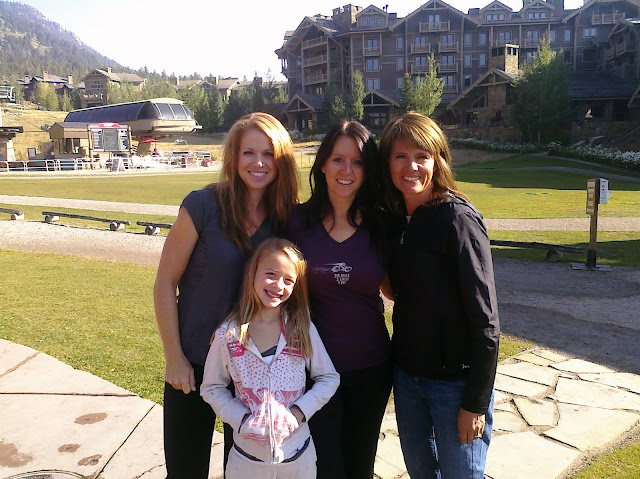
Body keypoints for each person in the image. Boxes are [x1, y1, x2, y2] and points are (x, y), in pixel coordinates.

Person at [154, 112, 299, 479]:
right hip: (194, 364)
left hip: (251, 374)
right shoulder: (202, 206)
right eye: (249, 152)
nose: (259, 162)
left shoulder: (285, 219)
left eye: (268, 153)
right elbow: (164, 282)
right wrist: (174, 358)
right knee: (185, 472)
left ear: (281, 159)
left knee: (246, 473)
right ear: (234, 157)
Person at [378, 112, 500, 479]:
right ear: (387, 163)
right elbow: (397, 292)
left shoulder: (457, 220)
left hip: (455, 385)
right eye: (400, 156)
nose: (411, 166)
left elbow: (486, 321)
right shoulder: (396, 220)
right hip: (408, 379)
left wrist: (475, 404)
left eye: (422, 156)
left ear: (438, 161)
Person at [285, 120, 392, 479]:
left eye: (358, 162)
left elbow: (396, 289)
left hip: (371, 367)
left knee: (360, 465)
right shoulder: (297, 222)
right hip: (312, 372)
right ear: (322, 165)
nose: (347, 170)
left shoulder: (382, 225)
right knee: (325, 467)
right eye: (338, 160)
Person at [201, 238, 339, 478]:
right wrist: (242, 420)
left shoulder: (301, 329)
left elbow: (328, 378)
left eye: (288, 280)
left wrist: (298, 413)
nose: (278, 285)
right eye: (271, 274)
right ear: (253, 273)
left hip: (299, 460)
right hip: (246, 462)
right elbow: (212, 388)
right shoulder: (229, 334)